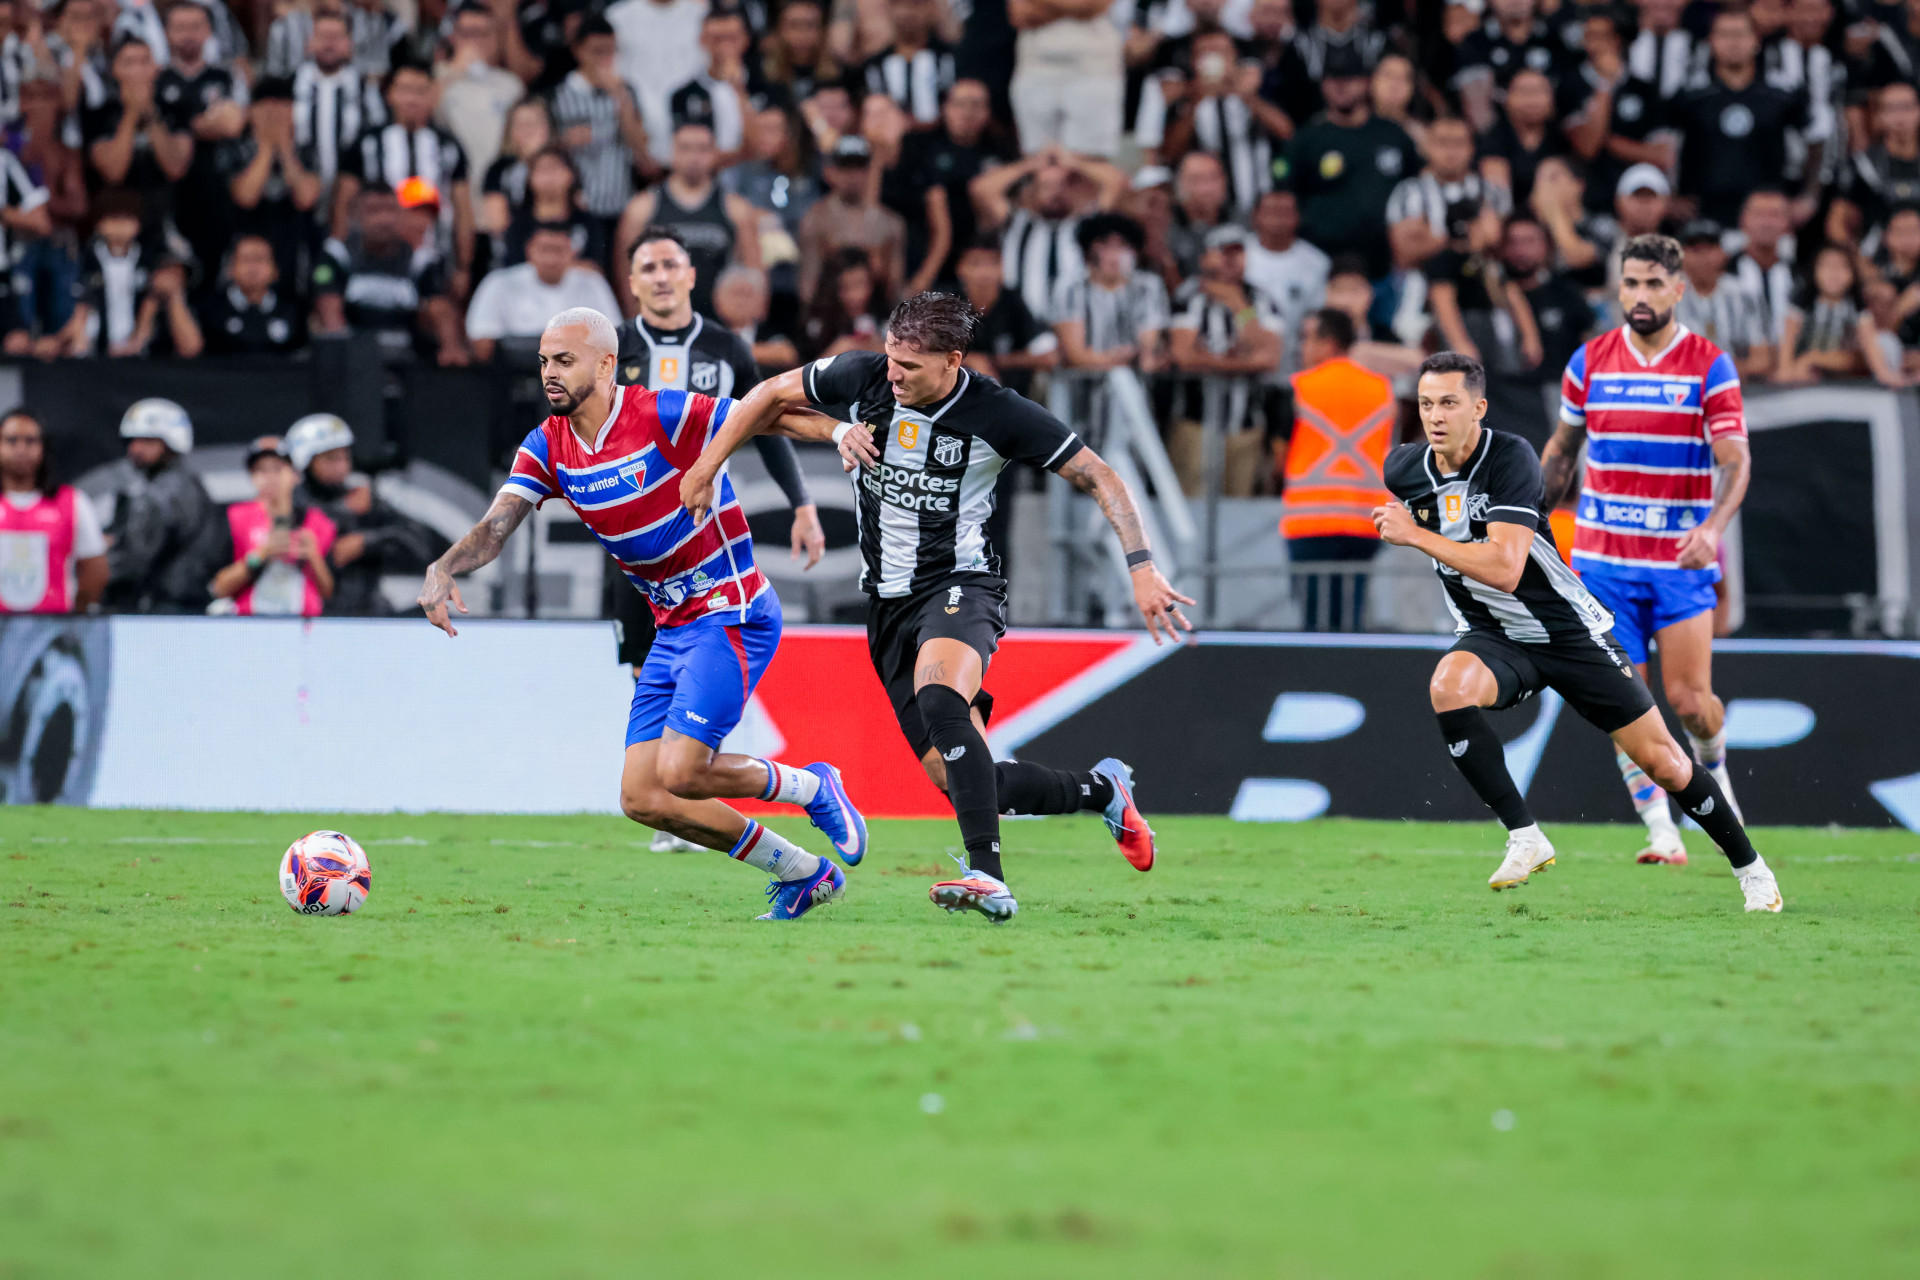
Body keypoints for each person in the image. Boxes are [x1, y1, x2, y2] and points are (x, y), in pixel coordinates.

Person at [679, 291, 1192, 923]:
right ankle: (1101, 790)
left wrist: (1142, 569)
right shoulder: (865, 374)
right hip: (887, 605)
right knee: (966, 777)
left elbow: (1101, 477)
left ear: (953, 361)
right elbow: (762, 399)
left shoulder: (998, 411)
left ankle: (989, 878)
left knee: (941, 695)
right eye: (892, 359)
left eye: (911, 367)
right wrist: (724, 460)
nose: (894, 376)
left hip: (960, 583)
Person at [417, 307, 865, 922]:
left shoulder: (661, 412)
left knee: (681, 770)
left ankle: (813, 786)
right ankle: (802, 872)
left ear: (606, 364)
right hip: (673, 628)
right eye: (545, 361)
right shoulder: (548, 444)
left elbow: (765, 413)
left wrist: (838, 434)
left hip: (731, 610)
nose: (550, 373)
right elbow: (497, 528)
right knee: (642, 796)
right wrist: (444, 567)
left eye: (565, 361)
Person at [1374, 351, 1782, 912]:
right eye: (1425, 404)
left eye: (1449, 402)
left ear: (1479, 408)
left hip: (1568, 633)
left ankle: (1752, 869)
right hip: (1494, 635)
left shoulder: (1511, 458)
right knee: (1448, 686)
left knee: (1664, 761)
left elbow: (1506, 567)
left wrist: (1416, 536)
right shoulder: (1404, 469)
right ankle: (1525, 836)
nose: (1435, 416)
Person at [1539, 234, 1753, 865]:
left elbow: (1736, 460)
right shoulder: (1589, 362)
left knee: (1691, 705)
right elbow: (1560, 453)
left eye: (1653, 284)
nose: (1639, 295)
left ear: (1678, 289)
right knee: (1627, 704)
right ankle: (1662, 830)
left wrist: (1712, 529)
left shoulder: (1709, 365)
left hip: (1678, 565)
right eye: (1630, 283)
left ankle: (1716, 769)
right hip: (1603, 566)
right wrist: (1527, 521)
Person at [1279, 308, 1389, 631]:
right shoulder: (1381, 387)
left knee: (1315, 621)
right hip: (1366, 521)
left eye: (1307, 339)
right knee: (1350, 618)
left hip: (1311, 520)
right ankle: (1347, 679)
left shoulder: (1301, 385)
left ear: (1327, 343)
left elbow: (1280, 448)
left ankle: (1317, 679)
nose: (1302, 348)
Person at [285, 413, 447, 616]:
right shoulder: (290, 503)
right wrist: (340, 512)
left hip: (367, 614)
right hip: (308, 616)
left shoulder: (364, 500)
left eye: (345, 456)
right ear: (306, 462)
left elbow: (420, 546)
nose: (342, 465)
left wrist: (366, 541)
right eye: (331, 458)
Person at [612, 121, 761, 316]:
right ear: (671, 152)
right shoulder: (642, 208)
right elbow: (626, 272)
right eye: (685, 148)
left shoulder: (736, 209)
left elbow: (754, 274)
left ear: (715, 153)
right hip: (661, 323)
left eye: (702, 149)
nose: (694, 157)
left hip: (718, 325)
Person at [101, 397, 224, 614]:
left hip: (162, 609)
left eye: (146, 441)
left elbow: (134, 559)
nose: (135, 449)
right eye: (132, 441)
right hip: (189, 606)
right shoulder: (192, 484)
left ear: (171, 443)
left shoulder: (161, 492)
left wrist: (99, 572)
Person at [210, 435, 336, 617]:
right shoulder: (235, 517)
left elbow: (329, 591)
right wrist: (260, 556)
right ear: (252, 476)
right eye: (261, 470)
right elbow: (218, 588)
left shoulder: (316, 521)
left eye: (277, 469)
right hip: (251, 620)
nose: (270, 478)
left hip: (302, 622)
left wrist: (313, 557)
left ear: (295, 474)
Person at [464, 221, 623, 362]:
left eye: (558, 250)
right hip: (513, 379)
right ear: (529, 250)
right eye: (545, 250)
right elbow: (481, 342)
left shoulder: (592, 283)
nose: (551, 259)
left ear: (572, 253)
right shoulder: (499, 283)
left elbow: (614, 338)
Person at [0, 410, 108, 615]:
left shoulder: (72, 502)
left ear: (43, 447)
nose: (21, 449)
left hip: (52, 636)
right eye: (12, 440)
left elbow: (95, 569)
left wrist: (75, 619)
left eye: (30, 441)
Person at [200, 232, 308, 355]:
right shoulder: (211, 310)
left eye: (260, 259)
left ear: (275, 270)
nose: (253, 267)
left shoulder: (292, 311)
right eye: (246, 259)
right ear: (230, 269)